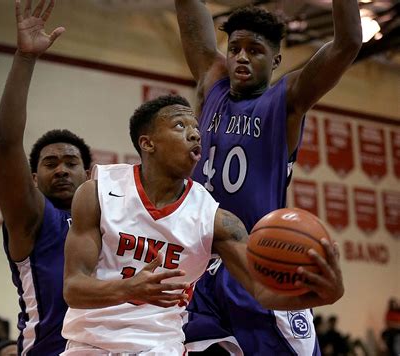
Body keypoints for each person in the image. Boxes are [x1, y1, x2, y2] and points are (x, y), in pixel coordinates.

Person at [60, 94, 344, 355]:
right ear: (148, 143)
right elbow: (73, 288)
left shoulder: (216, 219)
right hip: (88, 343)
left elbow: (264, 293)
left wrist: (321, 294)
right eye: (180, 125)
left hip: (158, 347)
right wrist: (128, 289)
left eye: (196, 128)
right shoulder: (97, 192)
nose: (195, 134)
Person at [174, 1, 362, 354]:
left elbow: (348, 43)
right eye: (235, 49)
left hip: (258, 263)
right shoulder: (213, 83)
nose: (241, 57)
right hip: (198, 267)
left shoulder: (287, 99)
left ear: (276, 60)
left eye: (255, 50)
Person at [0, 0, 91, 354]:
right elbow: (6, 143)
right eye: (50, 163)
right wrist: (25, 58)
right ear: (33, 178)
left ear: (90, 174)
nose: (62, 169)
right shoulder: (33, 218)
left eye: (70, 162)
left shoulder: (111, 219)